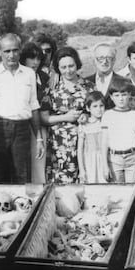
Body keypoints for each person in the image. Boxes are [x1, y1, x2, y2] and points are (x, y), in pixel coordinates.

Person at [0, 33, 44, 183]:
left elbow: (33, 105)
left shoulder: (29, 74)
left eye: (15, 50)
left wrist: (39, 138)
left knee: (21, 174)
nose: (12, 55)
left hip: (22, 129)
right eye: (7, 51)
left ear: (20, 50)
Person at [40, 46, 94, 184]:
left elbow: (96, 111)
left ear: (77, 64)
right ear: (58, 68)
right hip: (60, 146)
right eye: (63, 67)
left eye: (71, 66)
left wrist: (87, 116)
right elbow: (44, 118)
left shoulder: (89, 87)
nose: (68, 70)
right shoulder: (51, 89)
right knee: (61, 185)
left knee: (87, 180)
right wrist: (65, 117)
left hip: (85, 142)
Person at [101, 80, 135, 183]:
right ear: (111, 97)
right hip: (114, 160)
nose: (120, 99)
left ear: (129, 95)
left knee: (133, 192)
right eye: (117, 95)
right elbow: (104, 142)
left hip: (132, 158)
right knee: (117, 193)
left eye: (124, 95)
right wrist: (105, 166)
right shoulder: (108, 115)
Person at [20, 42, 50, 183]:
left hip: (42, 125)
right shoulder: (19, 77)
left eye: (38, 59)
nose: (35, 62)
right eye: (31, 58)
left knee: (40, 164)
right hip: (24, 126)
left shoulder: (44, 77)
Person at [86, 42, 130, 109]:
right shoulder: (85, 82)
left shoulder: (125, 83)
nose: (105, 62)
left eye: (109, 58)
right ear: (94, 60)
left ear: (114, 60)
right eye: (101, 58)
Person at [77, 91, 106, 184]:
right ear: (88, 108)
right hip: (89, 162)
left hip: (104, 161)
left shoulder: (106, 122)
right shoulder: (84, 125)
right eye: (95, 106)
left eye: (101, 106)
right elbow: (80, 149)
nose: (99, 109)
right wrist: (82, 170)